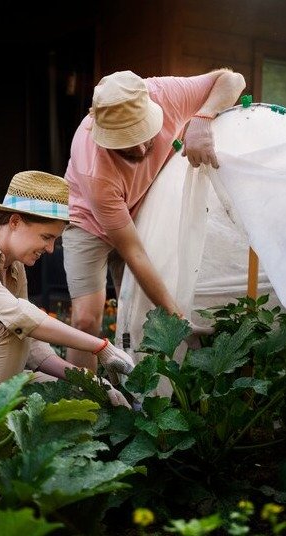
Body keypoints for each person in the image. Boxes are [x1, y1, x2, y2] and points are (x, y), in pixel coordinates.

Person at [62, 68, 246, 370]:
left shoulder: (166, 94)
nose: (138, 148)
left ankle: (136, 392)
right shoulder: (95, 169)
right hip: (88, 222)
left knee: (138, 314)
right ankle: (84, 405)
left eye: (141, 134)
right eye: (124, 143)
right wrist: (180, 323)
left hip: (144, 209)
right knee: (85, 318)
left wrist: (203, 117)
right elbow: (133, 253)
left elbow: (232, 80)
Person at [0, 170, 133, 408]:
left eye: (54, 241)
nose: (50, 249)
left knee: (73, 394)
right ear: (15, 222)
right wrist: (100, 346)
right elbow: (17, 319)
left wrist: (93, 381)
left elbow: (35, 347)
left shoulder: (15, 267)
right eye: (46, 237)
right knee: (11, 326)